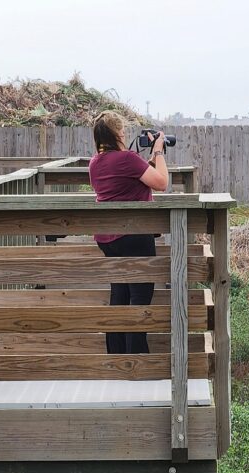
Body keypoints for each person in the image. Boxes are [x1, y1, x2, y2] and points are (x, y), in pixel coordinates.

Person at [88, 110, 169, 354]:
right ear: (118, 134)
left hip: (108, 238)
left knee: (120, 294)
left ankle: (116, 356)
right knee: (140, 297)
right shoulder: (127, 158)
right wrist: (158, 151)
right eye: (123, 131)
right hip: (134, 235)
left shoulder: (95, 163)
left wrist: (146, 162)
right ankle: (137, 360)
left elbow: (127, 182)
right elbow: (162, 183)